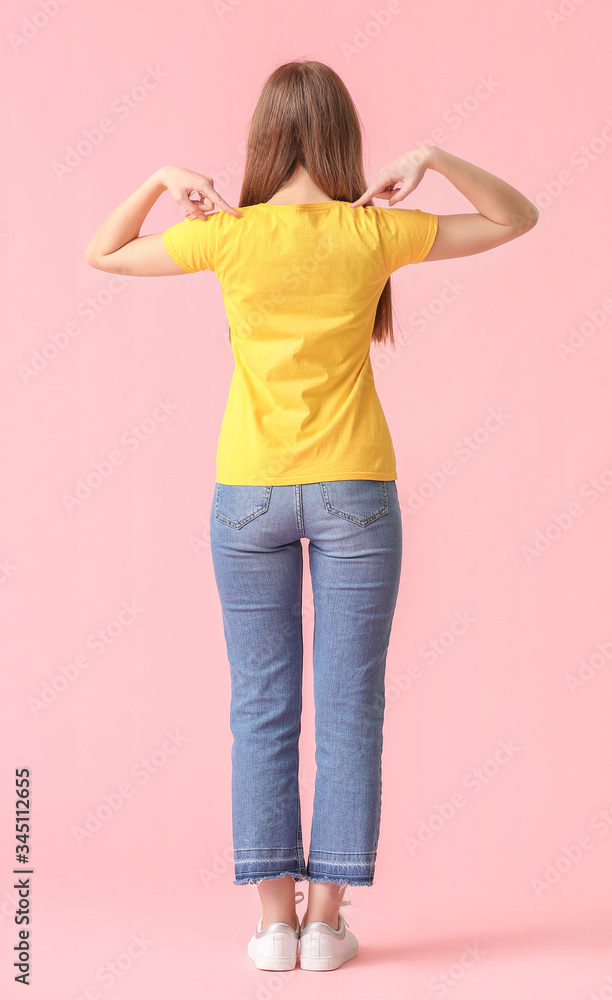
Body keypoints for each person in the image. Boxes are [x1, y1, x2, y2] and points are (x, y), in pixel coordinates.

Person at [85, 59, 539, 973]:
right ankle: (326, 921)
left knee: (259, 709)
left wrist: (161, 179)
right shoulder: (372, 232)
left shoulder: (230, 237)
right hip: (356, 492)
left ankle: (270, 927)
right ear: (340, 138)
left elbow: (104, 251)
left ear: (261, 140)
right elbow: (516, 217)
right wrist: (435, 156)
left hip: (246, 491)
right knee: (351, 705)